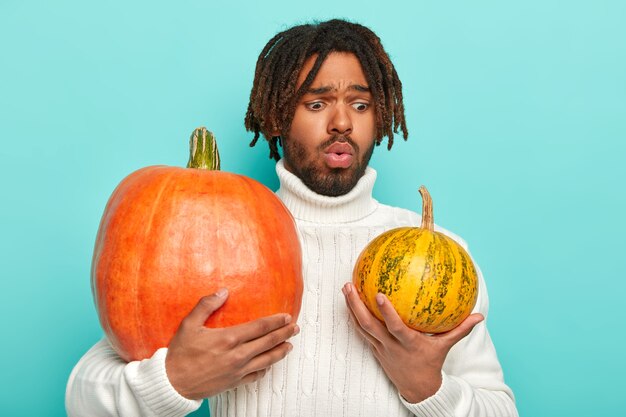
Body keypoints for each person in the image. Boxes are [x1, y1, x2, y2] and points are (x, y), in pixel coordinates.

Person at [66, 19, 518, 417]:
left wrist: (429, 388)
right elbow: (83, 401)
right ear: (277, 118)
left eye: (360, 105)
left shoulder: (439, 255)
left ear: (379, 118)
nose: (341, 122)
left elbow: (500, 408)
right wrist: (173, 380)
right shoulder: (212, 237)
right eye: (317, 104)